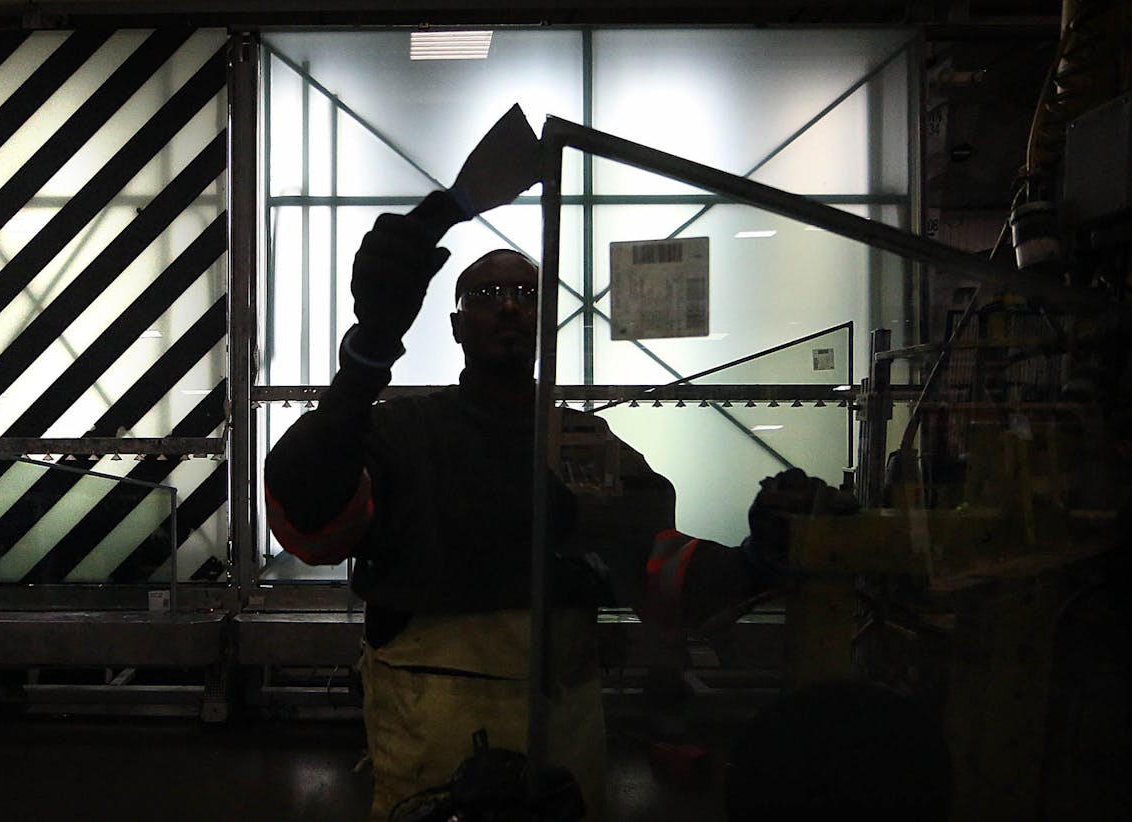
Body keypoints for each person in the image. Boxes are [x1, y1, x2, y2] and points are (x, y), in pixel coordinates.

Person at [263, 188, 803, 821]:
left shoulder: (582, 444)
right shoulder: (400, 434)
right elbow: (308, 516)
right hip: (435, 729)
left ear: (545, 322)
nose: (510, 309)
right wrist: (369, 350)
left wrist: (758, 559)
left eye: (527, 295)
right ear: (456, 324)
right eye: (487, 296)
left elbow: (654, 563)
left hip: (563, 729)